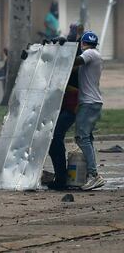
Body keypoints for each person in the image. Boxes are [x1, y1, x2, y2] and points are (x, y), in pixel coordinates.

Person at [47, 24, 84, 190]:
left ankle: (61, 179)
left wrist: (71, 36)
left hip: (72, 108)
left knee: (55, 139)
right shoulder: (64, 63)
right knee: (53, 141)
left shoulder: (77, 61)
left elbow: (72, 48)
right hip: (62, 107)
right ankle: (60, 177)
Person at [71, 31, 105, 190]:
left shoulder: (90, 54)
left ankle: (94, 175)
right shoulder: (96, 55)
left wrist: (67, 50)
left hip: (89, 103)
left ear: (83, 44)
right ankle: (88, 172)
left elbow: (77, 60)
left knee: (81, 137)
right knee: (87, 138)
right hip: (93, 103)